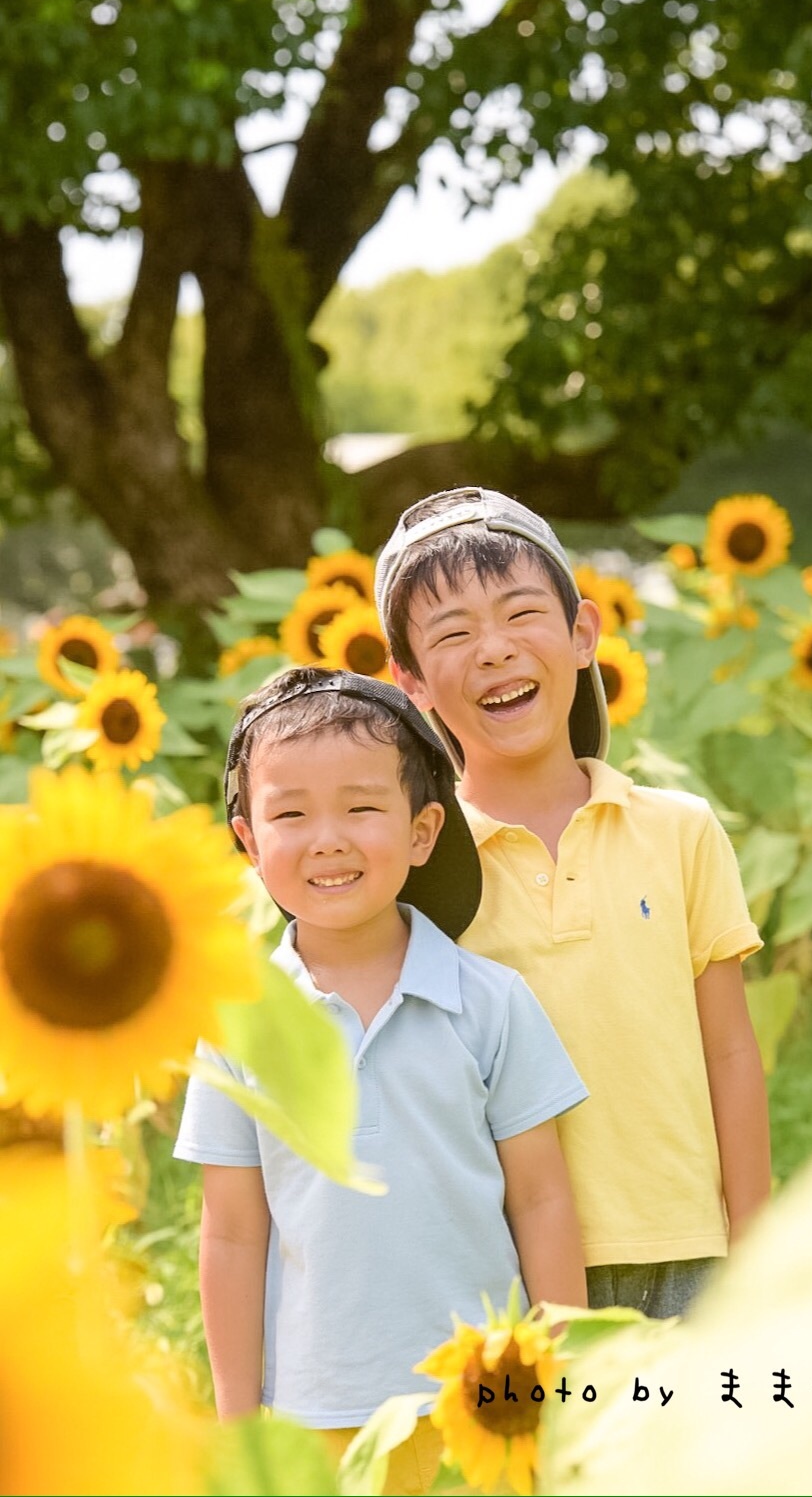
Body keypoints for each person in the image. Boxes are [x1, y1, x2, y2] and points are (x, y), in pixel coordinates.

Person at [174, 667, 587, 1490]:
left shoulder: (490, 1002)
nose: (327, 837)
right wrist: (238, 1416)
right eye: (290, 814)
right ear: (249, 840)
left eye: (362, 807)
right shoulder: (238, 1024)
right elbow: (230, 1233)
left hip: (482, 1401)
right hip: (314, 1405)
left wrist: (564, 1376)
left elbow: (541, 1198)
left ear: (423, 830)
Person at [375, 488, 771, 1319]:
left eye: (521, 613)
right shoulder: (417, 873)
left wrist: (757, 1241)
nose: (493, 650)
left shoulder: (679, 831)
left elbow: (729, 1054)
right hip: (504, 1265)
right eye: (451, 633)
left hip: (688, 1251)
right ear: (410, 681)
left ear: (582, 633)